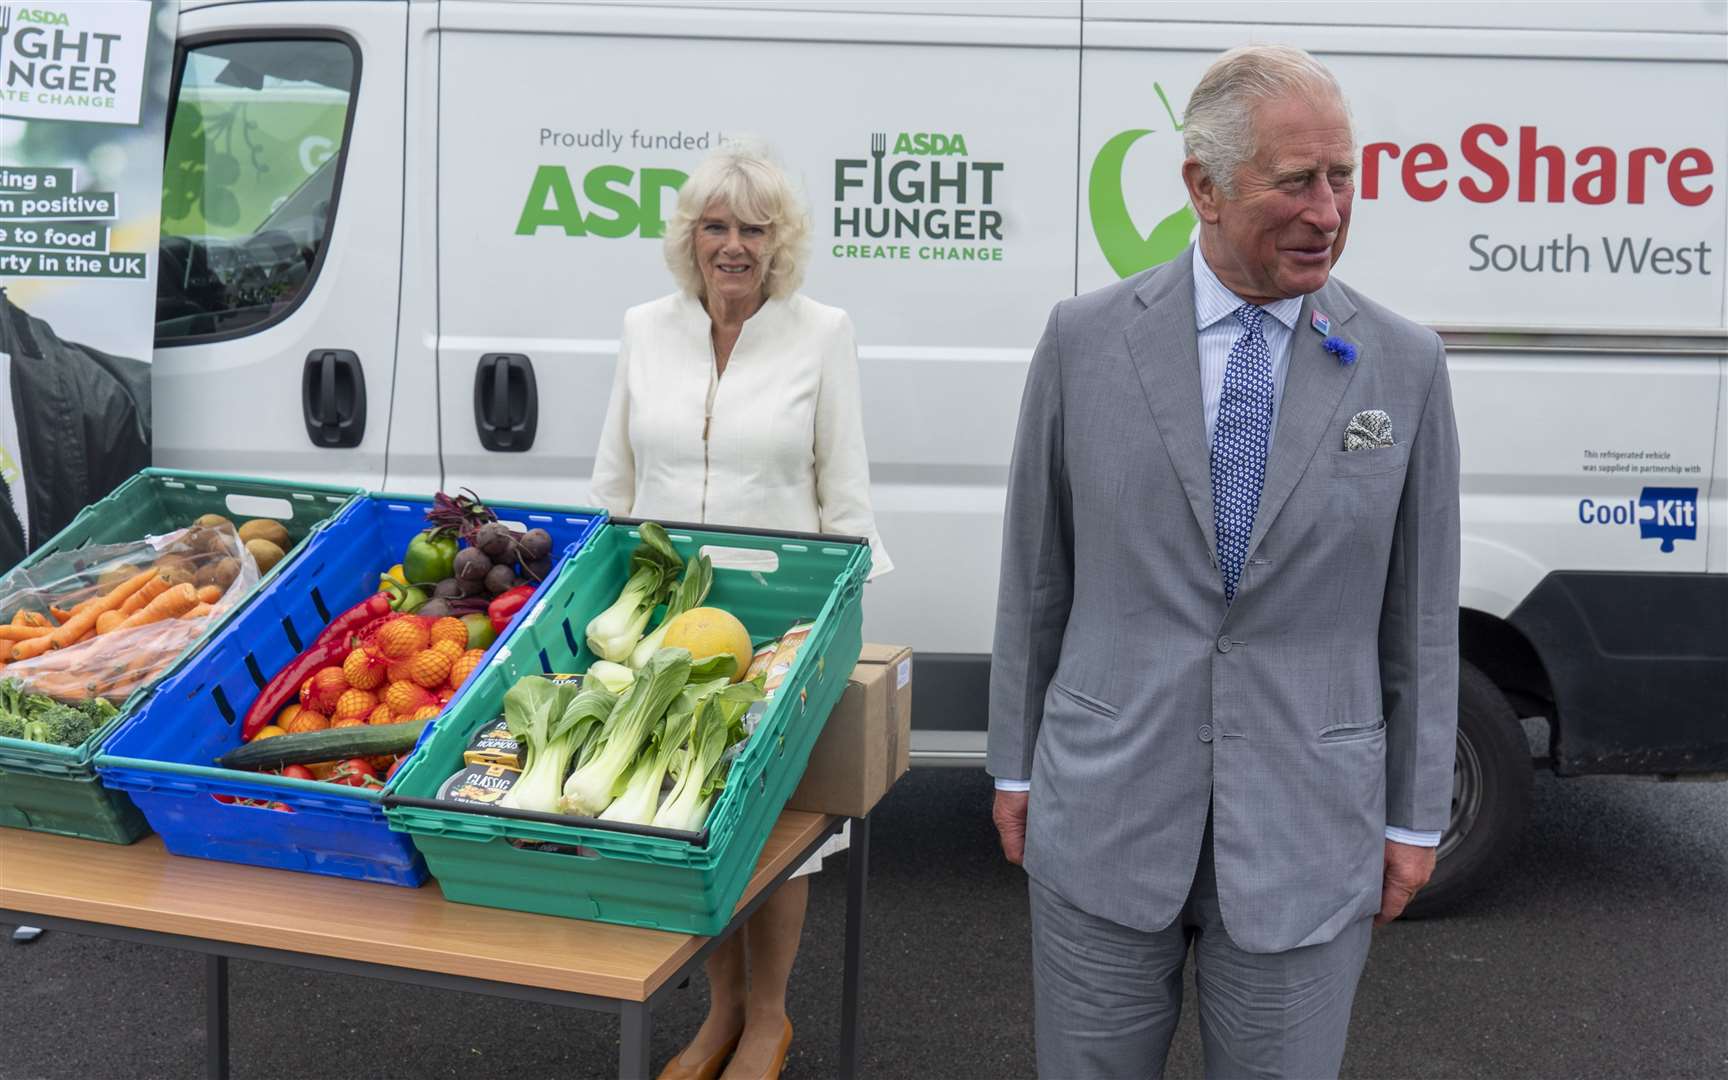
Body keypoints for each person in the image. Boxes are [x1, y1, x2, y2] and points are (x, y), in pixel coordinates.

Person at [989, 44, 1460, 1079]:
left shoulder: (1405, 363)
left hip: (1309, 832)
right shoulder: (1084, 340)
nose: (1329, 211)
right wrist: (1014, 762)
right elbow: (1037, 573)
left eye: (1344, 178)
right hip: (1102, 813)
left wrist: (1415, 815)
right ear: (1201, 186)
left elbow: (1421, 616)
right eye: (1296, 182)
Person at [590, 142, 891, 1080]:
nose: (733, 246)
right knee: (691, 816)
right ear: (690, 238)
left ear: (780, 241)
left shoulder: (821, 331)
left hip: (782, 621)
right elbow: (616, 482)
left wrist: (832, 624)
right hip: (669, 624)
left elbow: (845, 494)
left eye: (753, 228)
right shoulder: (646, 327)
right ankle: (718, 1013)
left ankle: (769, 1019)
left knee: (778, 826)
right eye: (715, 227)